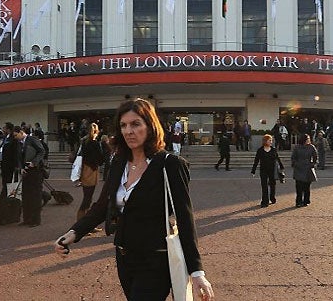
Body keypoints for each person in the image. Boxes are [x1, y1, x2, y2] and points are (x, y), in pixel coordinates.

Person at [54, 98, 214, 301]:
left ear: (150, 126)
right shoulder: (118, 161)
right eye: (123, 125)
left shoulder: (170, 164)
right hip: (124, 257)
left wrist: (197, 272)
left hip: (156, 259)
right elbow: (103, 205)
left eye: (136, 124)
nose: (129, 131)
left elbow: (185, 218)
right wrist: (75, 232)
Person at [13, 126, 45, 227]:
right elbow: (19, 157)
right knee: (26, 195)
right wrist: (21, 168)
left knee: (35, 196)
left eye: (16, 135)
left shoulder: (32, 139)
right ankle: (27, 219)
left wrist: (34, 162)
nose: (15, 137)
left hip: (35, 171)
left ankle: (35, 220)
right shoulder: (19, 143)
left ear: (21, 132)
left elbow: (41, 151)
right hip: (25, 171)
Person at [76, 122, 105, 221]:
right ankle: (81, 222)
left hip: (85, 170)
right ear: (96, 132)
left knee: (87, 197)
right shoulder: (95, 143)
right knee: (88, 199)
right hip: (92, 171)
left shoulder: (84, 143)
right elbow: (101, 159)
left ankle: (84, 222)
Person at [251, 134, 284, 208]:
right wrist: (253, 170)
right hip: (263, 170)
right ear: (265, 141)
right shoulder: (260, 150)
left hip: (272, 170)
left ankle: (272, 197)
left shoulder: (273, 149)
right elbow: (256, 160)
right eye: (270, 140)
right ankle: (264, 201)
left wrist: (281, 166)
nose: (271, 142)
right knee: (264, 186)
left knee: (272, 185)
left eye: (271, 140)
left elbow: (277, 158)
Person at [0, 122, 21, 208]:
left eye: (4, 128)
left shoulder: (13, 139)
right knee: (5, 183)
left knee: (8, 184)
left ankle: (3, 202)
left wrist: (16, 165)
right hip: (4, 164)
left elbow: (16, 152)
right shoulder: (5, 138)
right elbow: (2, 150)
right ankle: (3, 201)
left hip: (10, 165)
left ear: (8, 129)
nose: (3, 129)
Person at [291, 133, 318, 207]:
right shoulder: (297, 147)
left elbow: (315, 156)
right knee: (299, 187)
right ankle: (298, 201)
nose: (309, 140)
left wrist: (313, 164)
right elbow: (293, 157)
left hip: (308, 168)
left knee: (307, 187)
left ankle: (306, 200)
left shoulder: (311, 147)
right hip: (299, 168)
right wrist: (295, 164)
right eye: (308, 139)